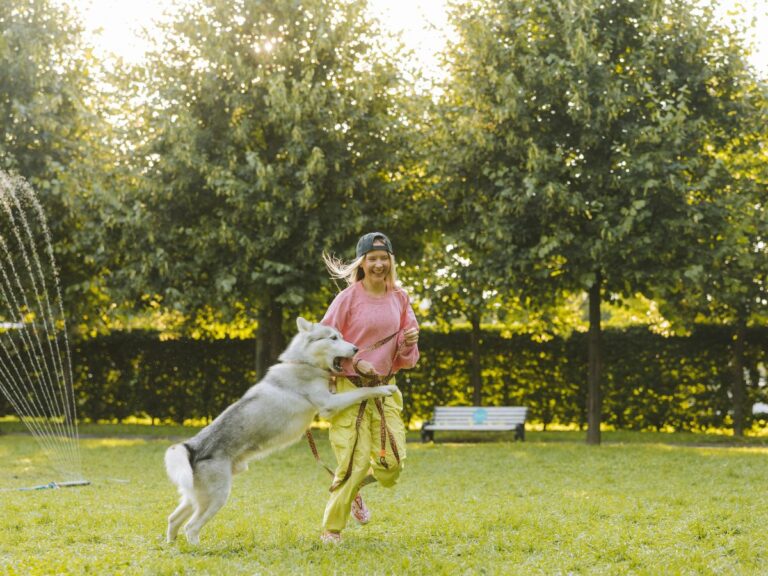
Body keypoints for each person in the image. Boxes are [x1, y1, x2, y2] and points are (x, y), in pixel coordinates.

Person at [318, 231, 420, 544]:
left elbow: (407, 357)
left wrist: (407, 342)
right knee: (354, 463)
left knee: (392, 465)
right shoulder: (347, 299)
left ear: (391, 261)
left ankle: (356, 490)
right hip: (350, 390)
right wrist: (353, 363)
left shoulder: (400, 298)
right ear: (362, 263)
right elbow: (323, 343)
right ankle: (332, 530)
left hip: (385, 390)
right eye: (372, 258)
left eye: (383, 258)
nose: (378, 264)